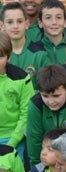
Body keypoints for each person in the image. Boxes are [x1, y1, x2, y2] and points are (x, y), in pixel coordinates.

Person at [26, 64, 66, 166]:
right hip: (44, 157)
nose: (51, 101)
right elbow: (34, 139)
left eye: (56, 96)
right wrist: (37, 167)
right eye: (45, 96)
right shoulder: (35, 104)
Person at [0, 31, 35, 161]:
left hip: (14, 139)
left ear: (8, 57)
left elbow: (26, 113)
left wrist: (12, 142)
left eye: (0, 56)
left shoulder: (22, 78)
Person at [1, 1, 49, 90]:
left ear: (26, 24)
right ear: (3, 26)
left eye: (19, 21)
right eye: (10, 22)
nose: (15, 26)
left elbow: (46, 89)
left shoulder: (40, 54)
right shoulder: (1, 56)